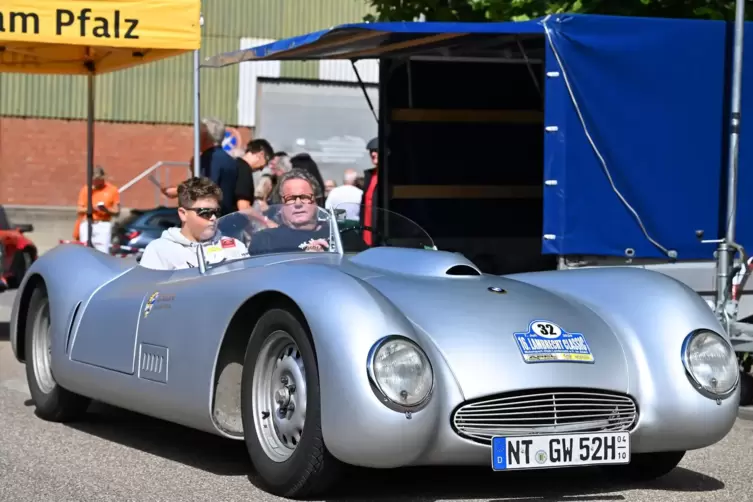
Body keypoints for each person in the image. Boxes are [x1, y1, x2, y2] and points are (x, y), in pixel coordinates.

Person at [140, 177, 248, 270]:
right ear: (183, 214)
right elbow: (149, 291)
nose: (213, 218)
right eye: (205, 212)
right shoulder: (159, 250)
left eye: (217, 212)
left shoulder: (235, 246)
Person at [160, 117, 238, 216]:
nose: (196, 137)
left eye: (199, 133)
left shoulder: (208, 159)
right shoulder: (231, 160)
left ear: (205, 135)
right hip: (225, 219)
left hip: (209, 219)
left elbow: (204, 188)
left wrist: (177, 191)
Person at [249, 170, 330, 255]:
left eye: (305, 197)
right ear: (280, 205)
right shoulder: (265, 240)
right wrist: (305, 258)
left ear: (316, 200)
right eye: (290, 199)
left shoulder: (335, 234)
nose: (298, 204)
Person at [75, 165, 120, 253]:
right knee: (85, 251)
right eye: (93, 180)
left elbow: (117, 211)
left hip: (103, 223)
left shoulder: (112, 190)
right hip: (88, 222)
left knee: (102, 251)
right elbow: (79, 209)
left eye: (97, 180)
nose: (95, 183)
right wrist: (91, 208)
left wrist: (106, 210)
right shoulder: (86, 189)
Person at [235, 138, 274, 211]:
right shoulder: (244, 170)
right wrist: (266, 221)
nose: (262, 168)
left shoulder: (235, 165)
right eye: (266, 162)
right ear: (261, 154)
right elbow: (243, 207)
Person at [360, 137, 380, 245]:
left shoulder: (390, 177)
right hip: (367, 236)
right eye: (371, 151)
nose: (373, 154)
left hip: (380, 236)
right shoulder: (370, 175)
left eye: (377, 151)